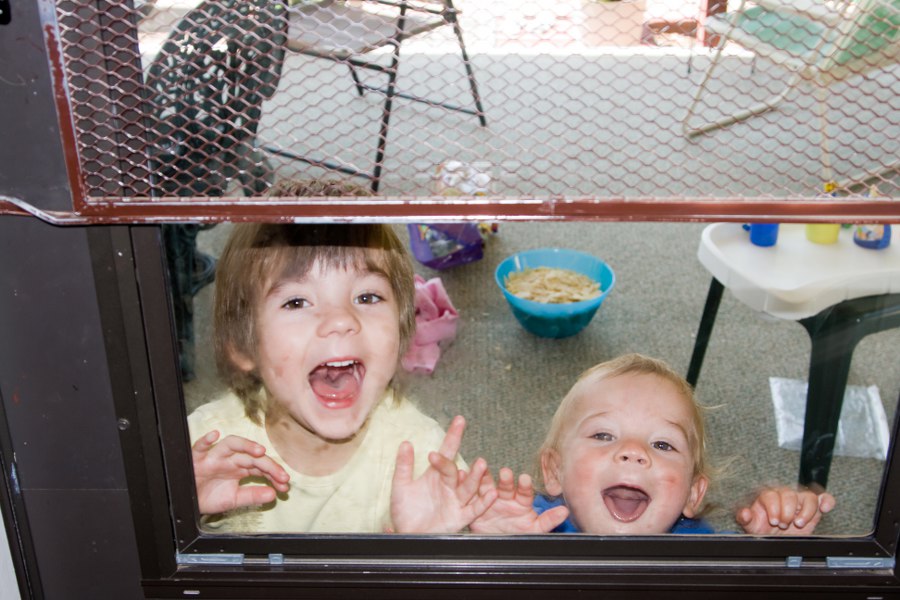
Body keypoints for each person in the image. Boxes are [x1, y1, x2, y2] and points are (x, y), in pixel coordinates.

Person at [188, 222, 495, 533]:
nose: (341, 320)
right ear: (243, 346)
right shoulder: (201, 449)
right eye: (296, 302)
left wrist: (429, 546)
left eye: (367, 297)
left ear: (403, 333)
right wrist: (180, 507)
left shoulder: (425, 458)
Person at [471, 353, 835, 535]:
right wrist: (494, 549)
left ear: (693, 494)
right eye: (603, 435)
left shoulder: (700, 555)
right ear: (554, 471)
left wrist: (771, 554)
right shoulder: (529, 526)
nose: (633, 452)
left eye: (662, 444)